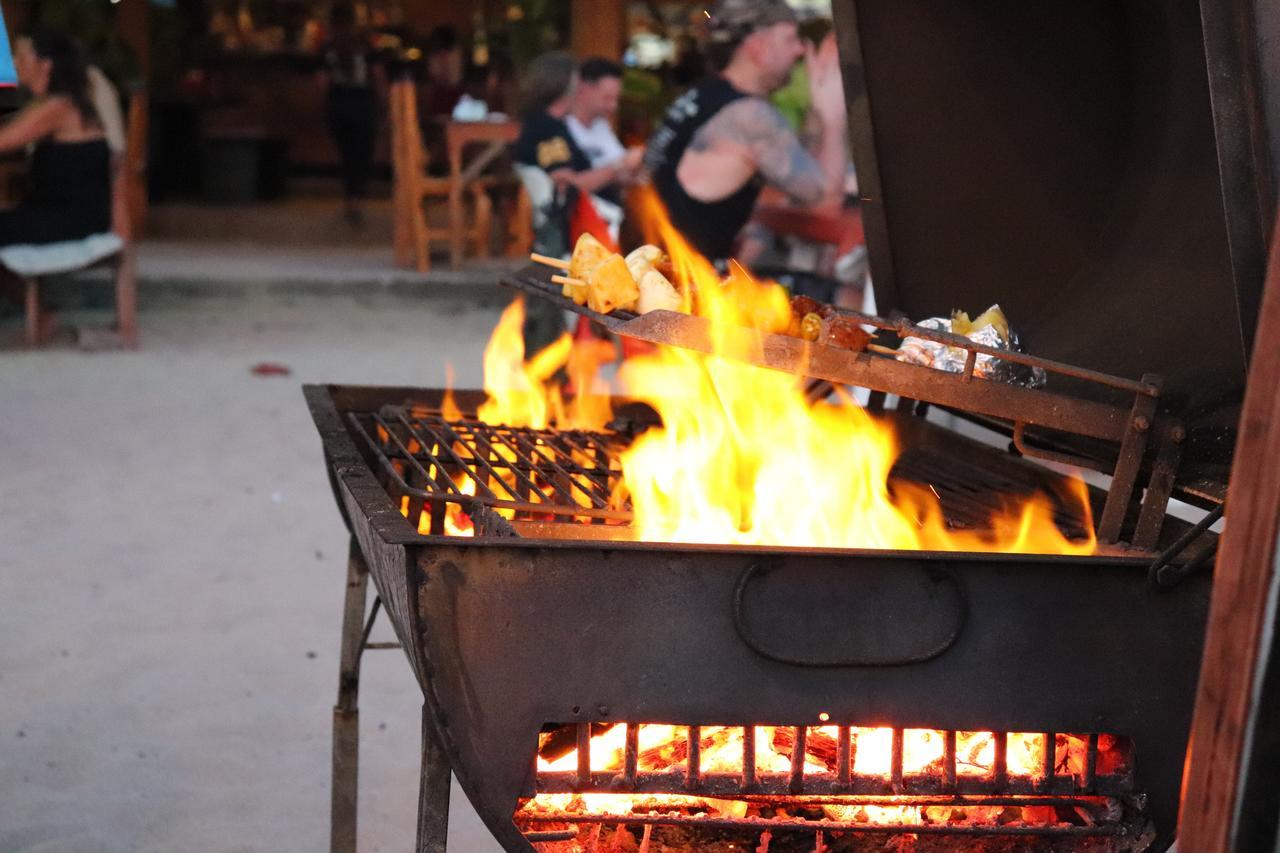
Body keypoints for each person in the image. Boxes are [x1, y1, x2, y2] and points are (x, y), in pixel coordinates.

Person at [644, 0, 847, 263]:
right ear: (757, 47)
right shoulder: (750, 116)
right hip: (684, 288)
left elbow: (802, 177)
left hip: (650, 271)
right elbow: (826, 203)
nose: (799, 49)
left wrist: (816, 114)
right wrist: (833, 121)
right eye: (790, 39)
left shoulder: (704, 95)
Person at [0, 29, 109, 247]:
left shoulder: (58, 107)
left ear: (45, 64)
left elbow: (4, 141)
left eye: (22, 56)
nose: (14, 62)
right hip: (64, 215)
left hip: (68, 220)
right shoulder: (62, 103)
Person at [318, 2, 379, 226]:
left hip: (338, 102)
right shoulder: (365, 45)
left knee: (346, 155)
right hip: (362, 102)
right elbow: (378, 75)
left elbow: (322, 82)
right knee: (361, 154)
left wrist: (324, 106)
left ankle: (349, 198)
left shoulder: (327, 47)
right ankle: (357, 199)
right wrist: (382, 104)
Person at [565, 57, 643, 207]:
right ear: (584, 88)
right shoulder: (561, 128)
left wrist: (634, 171)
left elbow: (619, 168)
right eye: (607, 98)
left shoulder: (600, 126)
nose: (613, 107)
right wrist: (620, 165)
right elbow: (568, 188)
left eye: (615, 99)